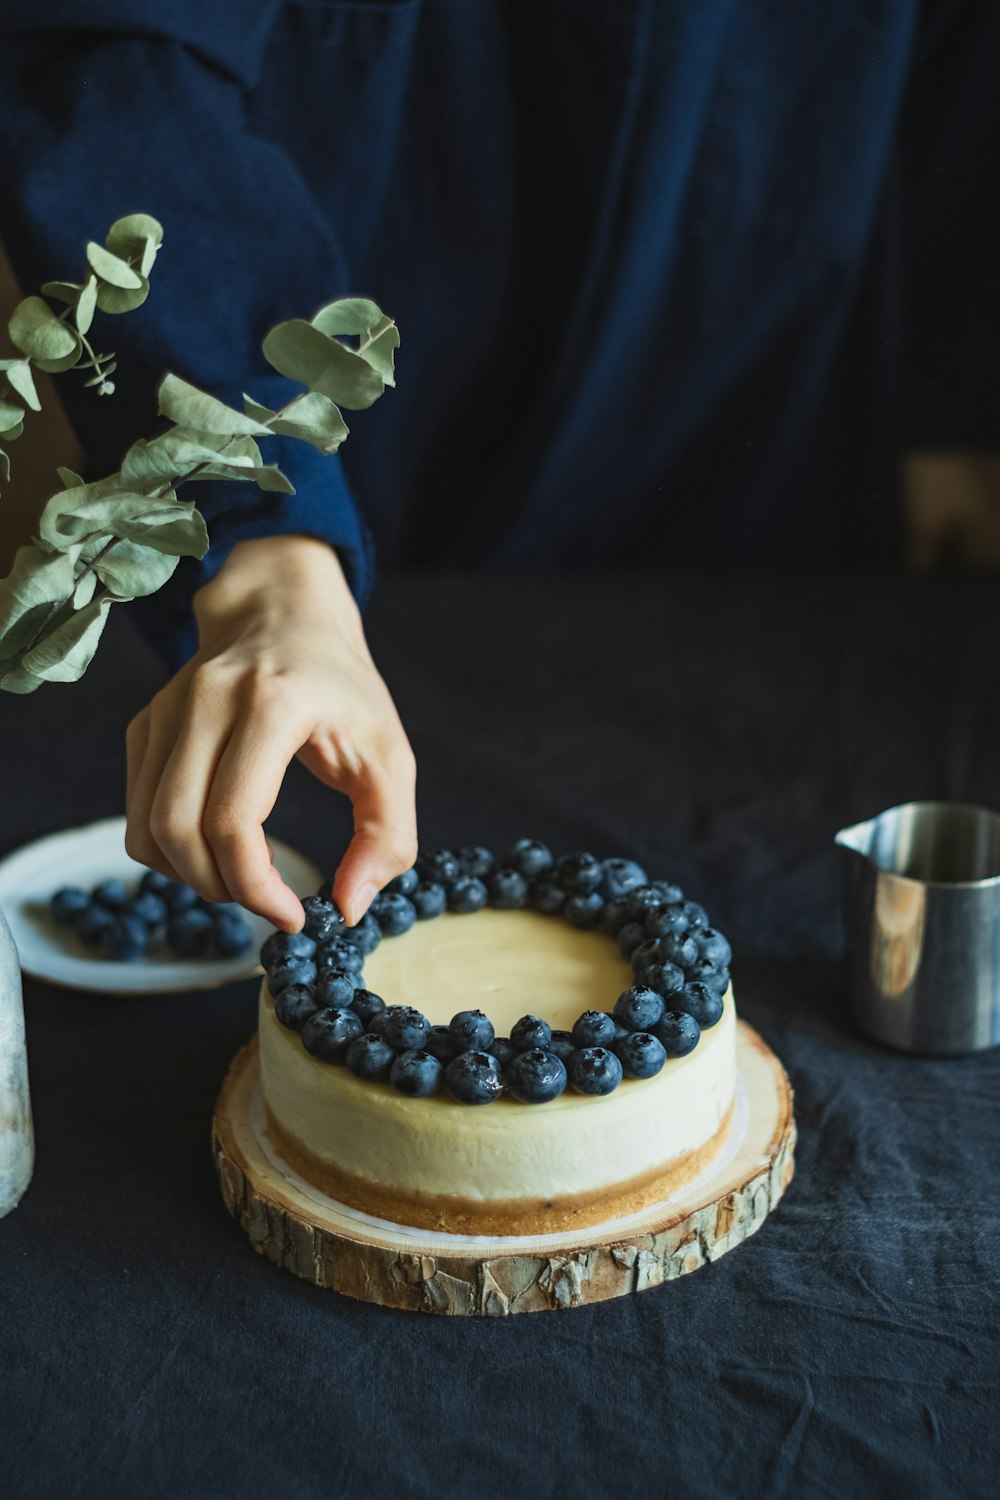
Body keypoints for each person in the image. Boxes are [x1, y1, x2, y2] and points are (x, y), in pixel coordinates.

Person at [1, 0, 997, 931]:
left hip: (767, 448)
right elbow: (115, 47)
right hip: (379, 487)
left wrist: (950, 408)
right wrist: (267, 540)